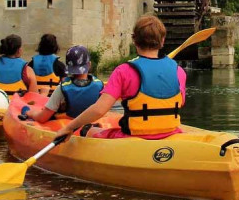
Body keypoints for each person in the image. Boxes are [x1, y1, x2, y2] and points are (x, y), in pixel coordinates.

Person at [50, 15, 186, 141]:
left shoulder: (123, 71)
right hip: (171, 135)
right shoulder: (179, 71)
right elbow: (178, 102)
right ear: (162, 41)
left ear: (134, 40)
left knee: (87, 129)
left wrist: (69, 127)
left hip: (131, 139)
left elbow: (99, 110)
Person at [20, 45, 103, 123]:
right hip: (90, 124)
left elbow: (42, 118)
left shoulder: (63, 87)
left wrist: (29, 113)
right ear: (89, 65)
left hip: (67, 124)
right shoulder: (100, 85)